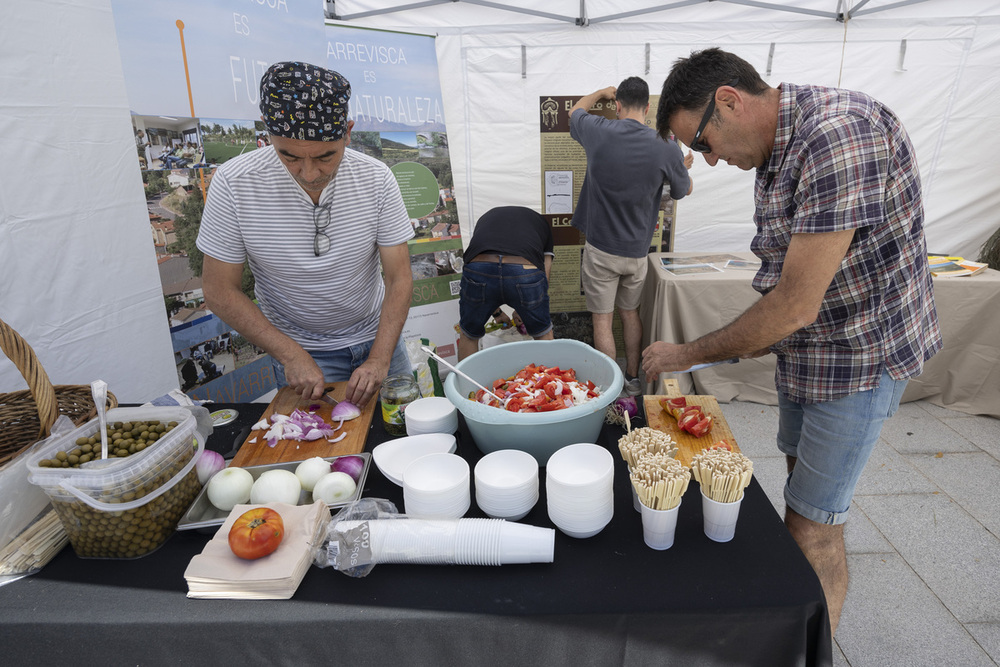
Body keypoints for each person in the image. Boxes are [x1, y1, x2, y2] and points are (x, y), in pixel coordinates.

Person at [646, 47, 942, 636]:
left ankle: (815, 646)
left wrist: (684, 353)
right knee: (801, 491)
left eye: (701, 142)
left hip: (858, 356)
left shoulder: (838, 134)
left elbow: (793, 304)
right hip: (810, 350)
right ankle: (794, 612)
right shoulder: (777, 146)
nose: (704, 160)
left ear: (728, 100)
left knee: (816, 525)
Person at [197, 61, 414, 407]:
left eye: (326, 157)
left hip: (379, 339)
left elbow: (399, 276)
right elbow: (218, 290)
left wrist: (380, 358)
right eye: (289, 156)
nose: (309, 173)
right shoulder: (234, 183)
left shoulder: (376, 178)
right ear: (268, 136)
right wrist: (290, 355)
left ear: (347, 132)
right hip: (300, 350)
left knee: (403, 429)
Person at [569, 77, 693, 396]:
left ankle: (610, 389)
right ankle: (634, 378)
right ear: (648, 108)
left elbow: (574, 111)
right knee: (630, 314)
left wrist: (599, 92)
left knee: (602, 321)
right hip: (636, 252)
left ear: (618, 105)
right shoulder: (666, 145)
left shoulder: (599, 130)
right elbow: (683, 190)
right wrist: (682, 167)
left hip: (600, 250)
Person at [458, 206, 555, 360]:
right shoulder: (542, 224)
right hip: (524, 269)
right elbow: (544, 274)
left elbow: (488, 272)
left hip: (479, 267)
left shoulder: (486, 217)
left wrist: (497, 312)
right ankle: (549, 383)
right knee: (543, 334)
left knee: (469, 335)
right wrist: (524, 309)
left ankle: (464, 384)